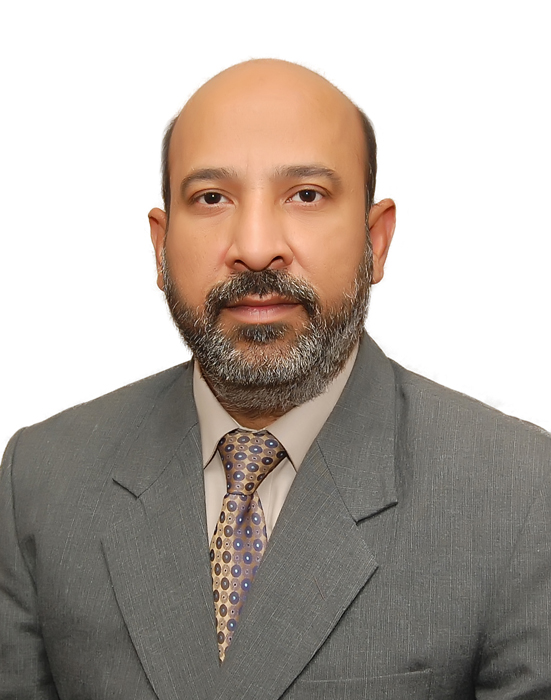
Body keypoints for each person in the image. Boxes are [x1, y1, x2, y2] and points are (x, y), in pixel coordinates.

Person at [1, 59, 550, 700]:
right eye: (212, 198)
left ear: (376, 241)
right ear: (160, 246)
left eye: (306, 195)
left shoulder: (519, 492)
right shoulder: (41, 479)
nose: (257, 246)